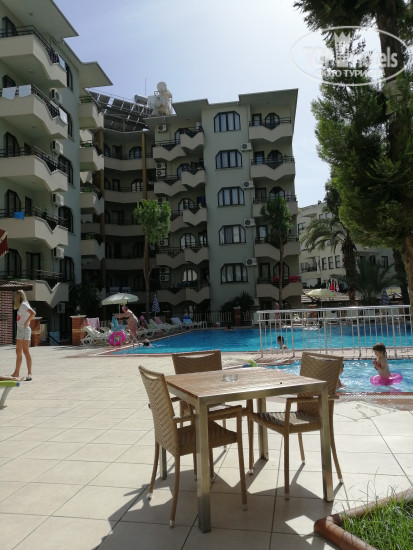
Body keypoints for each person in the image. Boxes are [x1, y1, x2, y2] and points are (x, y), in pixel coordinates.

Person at [11, 290, 36, 381]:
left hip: (25, 330)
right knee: (18, 351)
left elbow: (33, 313)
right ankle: (16, 372)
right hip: (19, 330)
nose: (14, 298)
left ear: (18, 297)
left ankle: (29, 373)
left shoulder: (24, 304)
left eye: (15, 296)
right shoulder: (21, 305)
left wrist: (27, 321)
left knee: (25, 351)